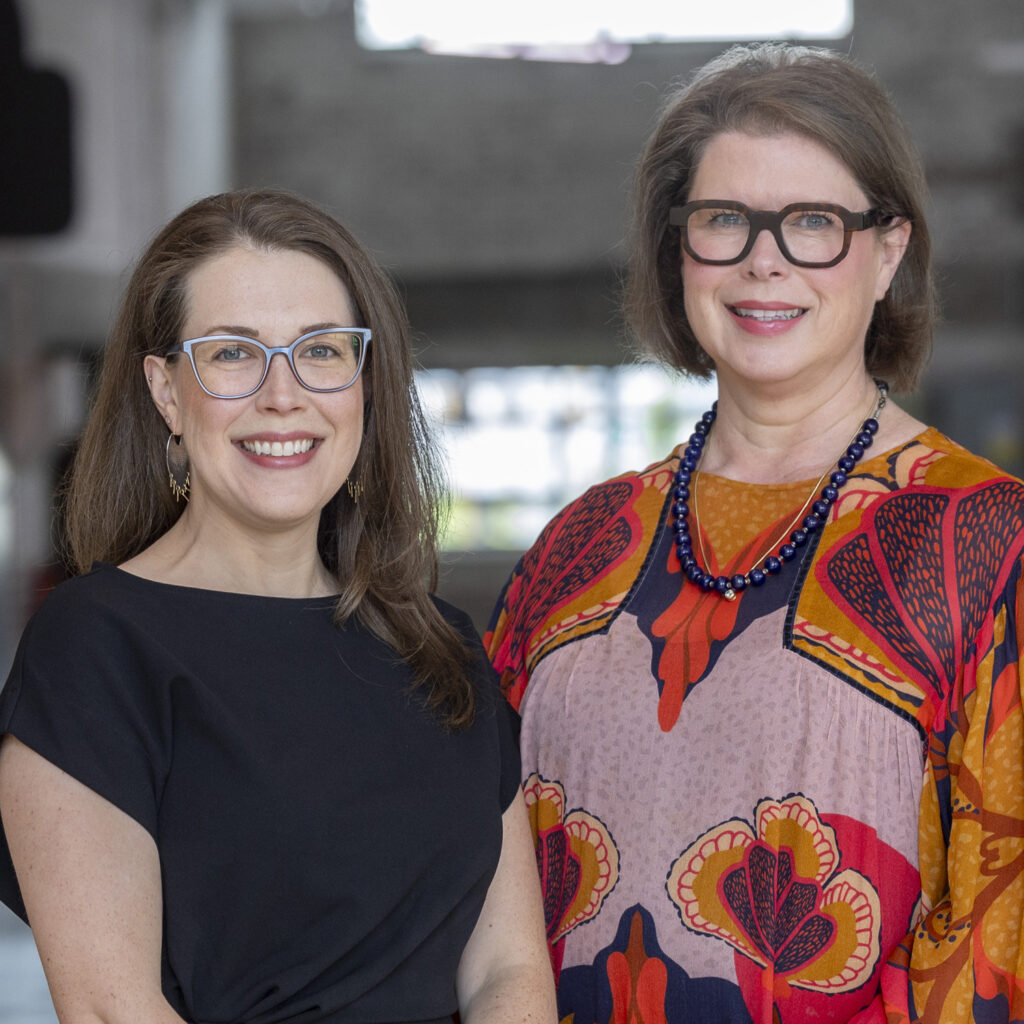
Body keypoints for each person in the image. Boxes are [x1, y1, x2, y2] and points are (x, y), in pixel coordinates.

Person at [485, 43, 1024, 1023]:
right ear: (677, 251)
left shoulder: (986, 541)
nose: (762, 259)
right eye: (723, 221)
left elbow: (1000, 934)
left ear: (887, 250)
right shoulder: (580, 541)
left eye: (812, 222)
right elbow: (471, 871)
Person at [0, 187, 556, 1024]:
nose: (282, 394)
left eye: (322, 351)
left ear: (362, 383)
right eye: (232, 354)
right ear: (165, 391)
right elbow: (115, 1009)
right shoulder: (96, 650)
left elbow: (507, 974)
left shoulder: (440, 648)